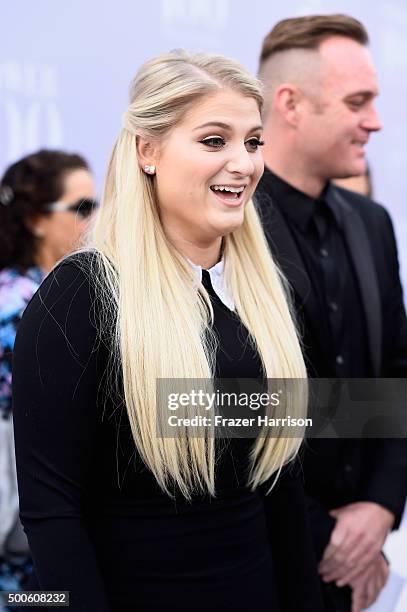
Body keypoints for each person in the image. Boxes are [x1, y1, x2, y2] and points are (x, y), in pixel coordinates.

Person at [12, 50, 324, 611]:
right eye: (213, 140)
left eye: (253, 142)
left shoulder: (268, 295)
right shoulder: (79, 298)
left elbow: (283, 490)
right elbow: (52, 512)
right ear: (147, 151)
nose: (243, 163)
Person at [256, 14, 407, 612]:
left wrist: (378, 509)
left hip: (357, 564)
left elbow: (395, 373)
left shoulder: (373, 224)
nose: (375, 121)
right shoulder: (224, 225)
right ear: (290, 103)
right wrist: (326, 536)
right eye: (357, 102)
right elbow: (217, 403)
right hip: (259, 561)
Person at [0, 150, 96, 598]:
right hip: (24, 535)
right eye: (81, 208)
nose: (94, 220)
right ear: (37, 220)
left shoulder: (60, 296)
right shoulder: (18, 307)